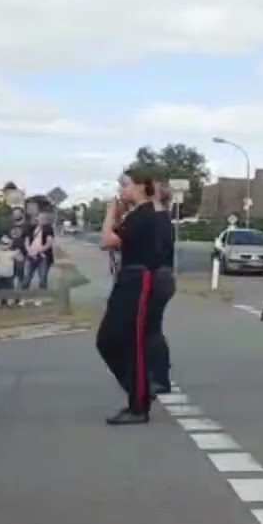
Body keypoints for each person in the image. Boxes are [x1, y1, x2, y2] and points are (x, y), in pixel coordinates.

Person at [95, 166, 165, 425]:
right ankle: (140, 389)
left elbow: (106, 241)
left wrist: (110, 214)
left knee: (130, 342)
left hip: (140, 279)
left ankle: (138, 405)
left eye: (125, 185)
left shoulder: (145, 215)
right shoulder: (137, 214)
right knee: (107, 339)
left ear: (139, 186)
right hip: (128, 278)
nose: (121, 190)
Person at [148, 182, 176, 392]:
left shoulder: (161, 219)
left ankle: (160, 377)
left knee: (151, 328)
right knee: (151, 328)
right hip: (161, 276)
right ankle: (157, 371)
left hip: (159, 277)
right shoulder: (160, 218)